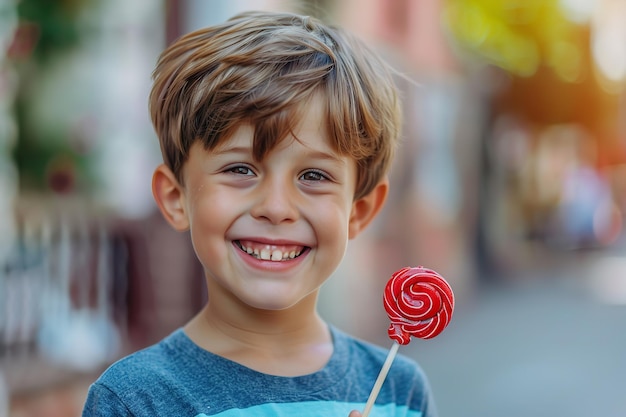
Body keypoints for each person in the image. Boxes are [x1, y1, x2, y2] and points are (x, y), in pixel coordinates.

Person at [82, 10, 438, 417]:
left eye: (314, 175)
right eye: (240, 169)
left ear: (359, 211)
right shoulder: (136, 400)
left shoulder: (397, 390)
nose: (276, 208)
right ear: (176, 197)